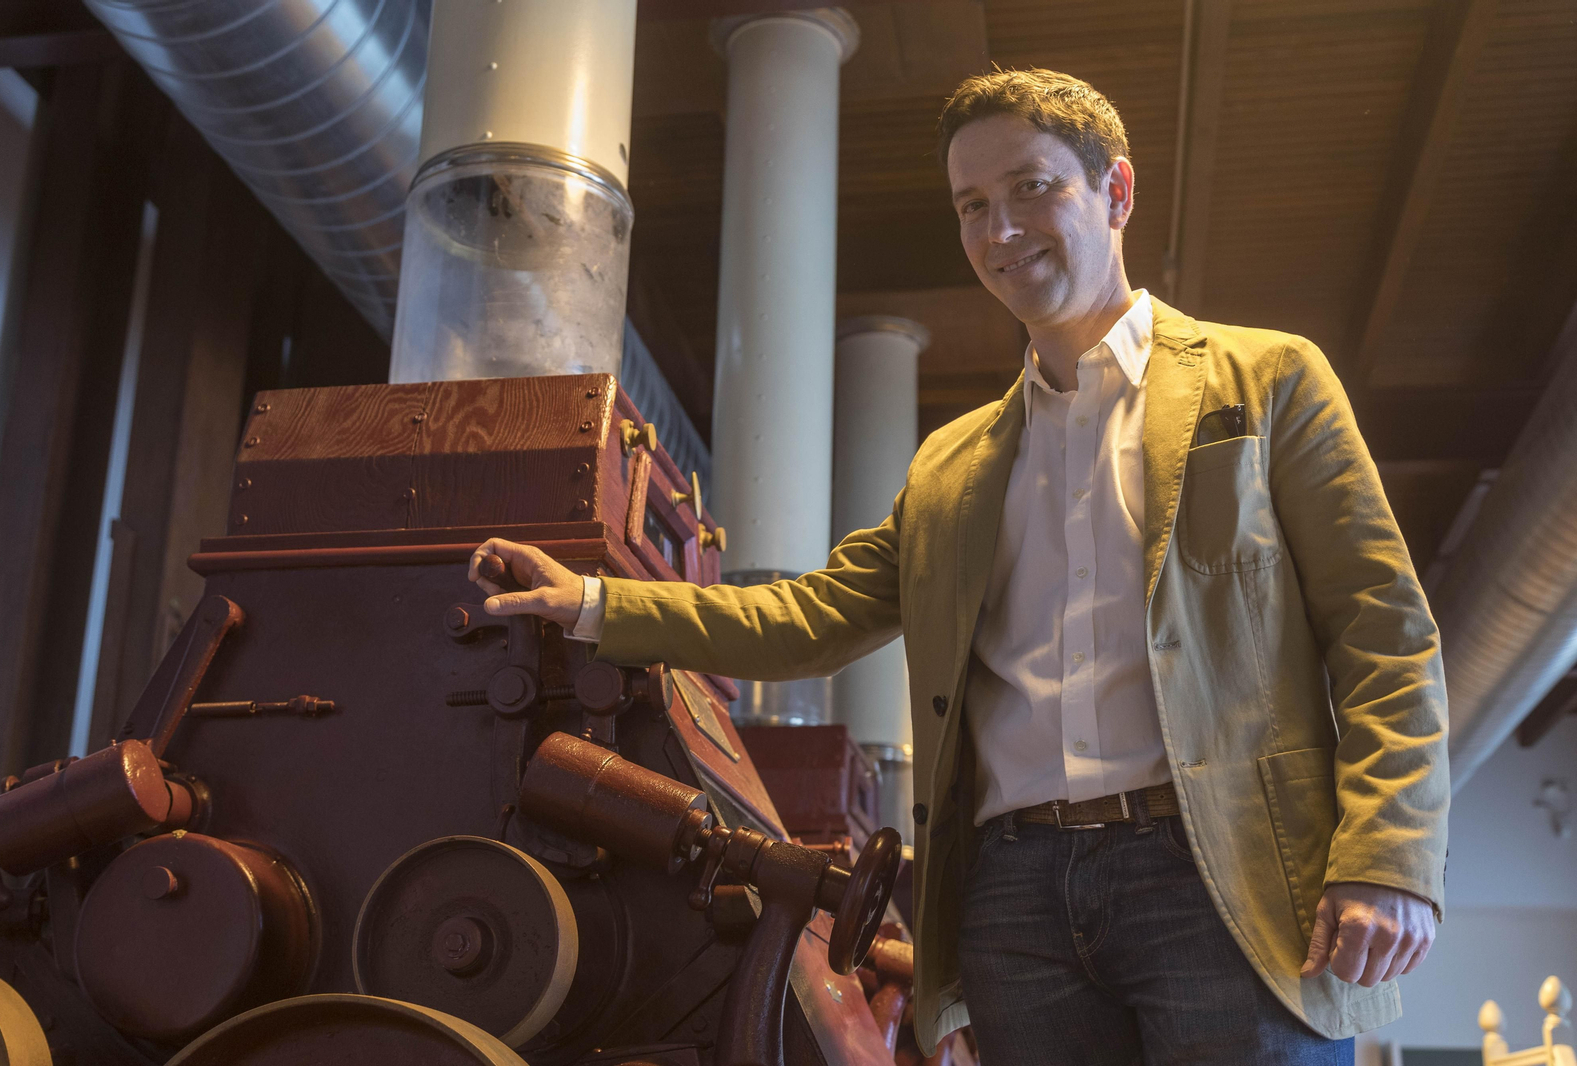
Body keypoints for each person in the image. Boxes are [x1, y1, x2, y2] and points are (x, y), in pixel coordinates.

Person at [468, 69, 1448, 1066]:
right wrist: (593, 602)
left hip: (1222, 874)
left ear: (1115, 191)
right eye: (971, 205)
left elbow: (1384, 630)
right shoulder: (951, 464)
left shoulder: (1269, 380)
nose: (999, 229)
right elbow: (809, 616)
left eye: (1031, 187)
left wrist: (1390, 854)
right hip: (1015, 898)